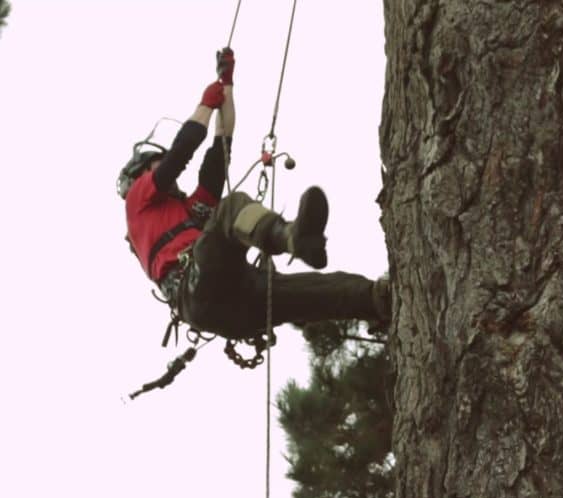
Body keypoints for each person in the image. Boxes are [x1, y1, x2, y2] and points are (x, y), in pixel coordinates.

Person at [119, 48, 389, 341]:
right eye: (153, 164)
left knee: (312, 290)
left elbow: (219, 154)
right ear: (141, 172)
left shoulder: (188, 208)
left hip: (226, 300)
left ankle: (376, 300)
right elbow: (180, 153)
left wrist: (227, 87)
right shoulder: (137, 199)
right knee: (232, 204)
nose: (160, 168)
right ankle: (289, 237)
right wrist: (204, 105)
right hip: (193, 285)